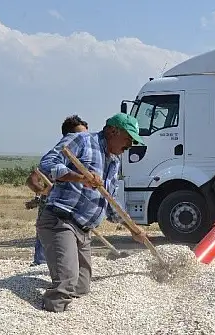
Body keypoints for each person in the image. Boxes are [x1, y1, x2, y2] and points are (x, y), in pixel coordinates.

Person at [36, 113, 147, 312]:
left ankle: (69, 306)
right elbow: (47, 164)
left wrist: (132, 228)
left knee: (82, 286)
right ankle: (50, 316)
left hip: (84, 231)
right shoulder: (82, 140)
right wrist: (79, 177)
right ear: (113, 131)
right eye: (128, 139)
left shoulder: (114, 161)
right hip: (61, 221)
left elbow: (110, 202)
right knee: (66, 283)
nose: (130, 146)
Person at [26, 115, 89, 266]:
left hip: (72, 206)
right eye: (80, 135)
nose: (84, 139)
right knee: (46, 239)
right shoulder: (58, 156)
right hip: (52, 204)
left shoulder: (81, 156)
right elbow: (32, 180)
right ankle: (40, 264)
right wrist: (43, 192)